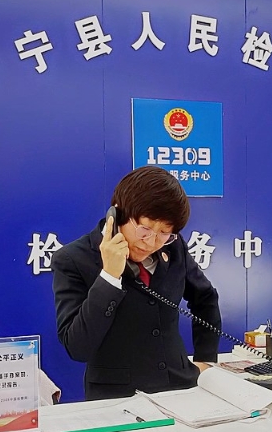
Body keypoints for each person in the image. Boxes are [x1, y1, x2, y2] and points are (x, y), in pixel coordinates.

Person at [51, 166, 222, 401]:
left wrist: (206, 359)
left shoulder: (174, 247)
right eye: (145, 229)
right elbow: (77, 347)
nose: (151, 242)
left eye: (164, 233)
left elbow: (205, 298)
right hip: (116, 399)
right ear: (117, 214)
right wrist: (109, 277)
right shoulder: (74, 259)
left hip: (181, 389)